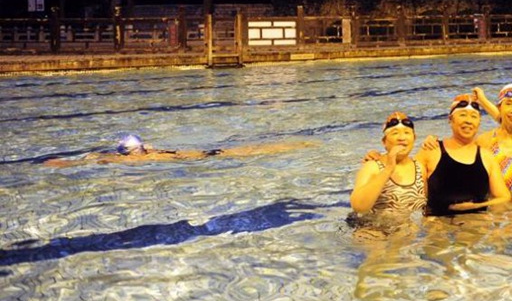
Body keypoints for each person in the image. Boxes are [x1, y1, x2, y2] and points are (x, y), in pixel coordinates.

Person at [417, 94, 511, 216]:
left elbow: (504, 198)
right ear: (450, 119)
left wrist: (477, 206)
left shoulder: (487, 157)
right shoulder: (431, 151)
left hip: (476, 223)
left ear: (479, 122)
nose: (468, 121)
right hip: (439, 224)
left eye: (474, 116)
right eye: (462, 115)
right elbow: (410, 193)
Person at [44, 134, 314, 167]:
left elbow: (96, 159)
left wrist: (66, 163)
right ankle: (293, 144)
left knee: (242, 152)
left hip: (194, 158)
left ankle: (291, 145)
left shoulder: (129, 161)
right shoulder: (150, 151)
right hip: (193, 153)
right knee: (242, 150)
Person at [350, 112, 426, 215]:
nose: (402, 138)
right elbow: (358, 207)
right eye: (395, 133)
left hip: (411, 225)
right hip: (375, 225)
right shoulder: (373, 167)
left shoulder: (420, 168)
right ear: (384, 142)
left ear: (414, 138)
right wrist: (388, 169)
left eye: (407, 132)